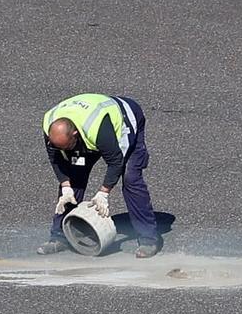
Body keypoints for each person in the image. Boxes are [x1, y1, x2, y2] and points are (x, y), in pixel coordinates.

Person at [39, 92, 161, 257]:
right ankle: (59, 237)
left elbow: (116, 161)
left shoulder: (98, 129)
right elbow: (55, 160)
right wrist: (66, 186)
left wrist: (104, 193)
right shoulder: (50, 124)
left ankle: (148, 239)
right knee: (74, 179)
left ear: (75, 134)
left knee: (130, 177)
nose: (62, 151)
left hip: (125, 119)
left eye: (66, 147)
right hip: (86, 132)